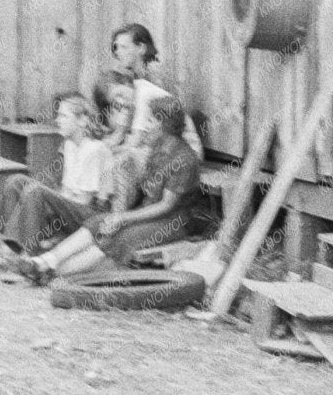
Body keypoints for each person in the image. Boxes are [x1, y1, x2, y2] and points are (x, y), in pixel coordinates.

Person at [11, 93, 201, 284]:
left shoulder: (184, 159)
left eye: (150, 121)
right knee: (99, 222)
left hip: (173, 223)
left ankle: (49, 273)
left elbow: (166, 206)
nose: (145, 126)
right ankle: (45, 260)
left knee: (119, 239)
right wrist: (118, 214)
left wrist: (123, 217)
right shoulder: (158, 151)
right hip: (149, 215)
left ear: (163, 124)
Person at [0, 92, 117, 253]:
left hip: (92, 215)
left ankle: (29, 252)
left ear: (82, 120)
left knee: (36, 192)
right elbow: (66, 190)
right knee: (16, 181)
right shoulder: (69, 145)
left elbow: (84, 201)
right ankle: (9, 244)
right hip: (73, 206)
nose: (58, 121)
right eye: (59, 116)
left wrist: (47, 203)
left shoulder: (94, 149)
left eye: (64, 116)